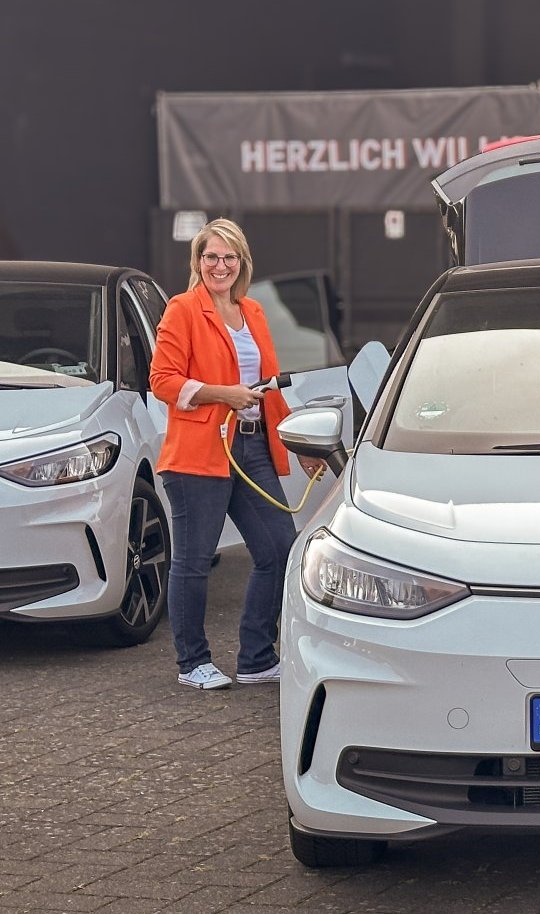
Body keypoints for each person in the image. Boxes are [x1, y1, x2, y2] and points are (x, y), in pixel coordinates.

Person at [149, 218, 321, 690]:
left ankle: (257, 658)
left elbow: (269, 387)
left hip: (251, 445)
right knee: (194, 560)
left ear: (242, 263)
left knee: (279, 549)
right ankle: (193, 663)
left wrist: (299, 443)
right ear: (198, 261)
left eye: (229, 257)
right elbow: (162, 380)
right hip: (199, 451)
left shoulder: (254, 312)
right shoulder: (183, 309)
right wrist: (222, 393)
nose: (219, 266)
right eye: (211, 257)